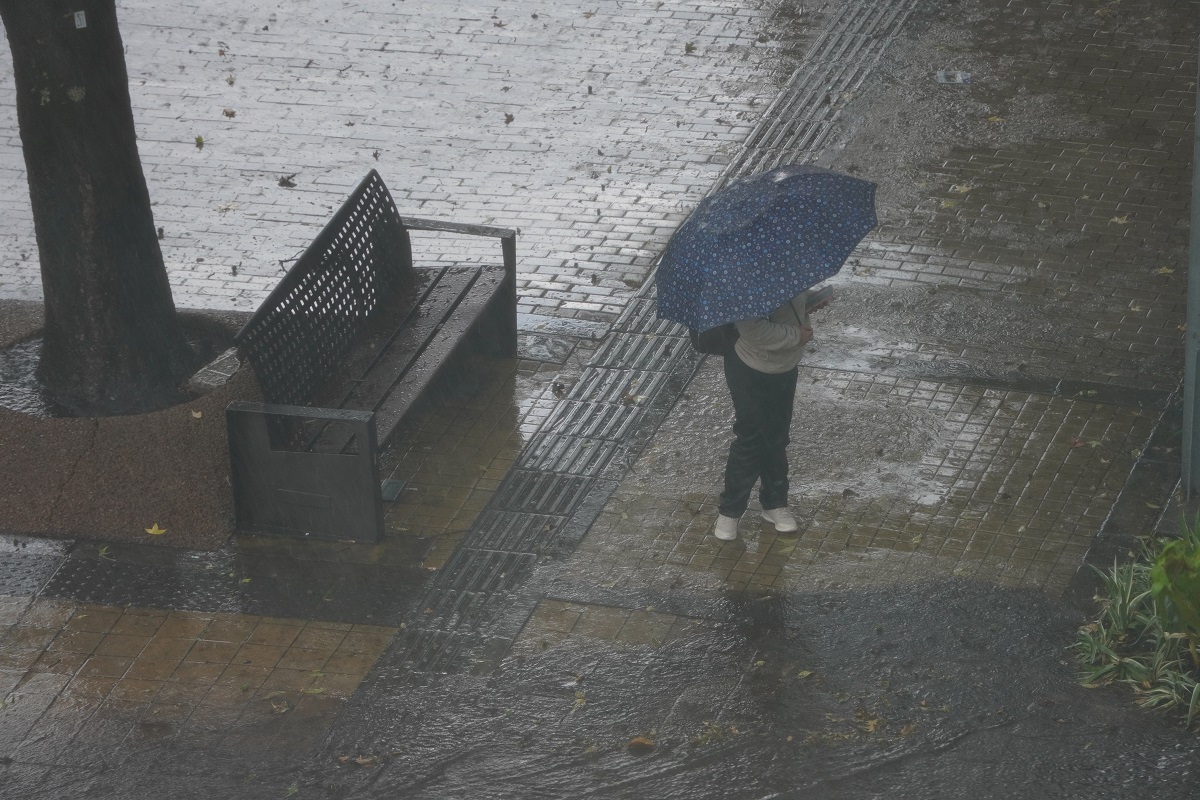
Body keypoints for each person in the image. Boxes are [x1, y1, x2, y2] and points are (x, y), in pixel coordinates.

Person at [713, 288, 826, 541]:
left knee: (777, 435)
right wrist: (796, 334)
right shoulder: (743, 280)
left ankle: (774, 503)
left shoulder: (786, 261)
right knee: (750, 438)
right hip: (749, 365)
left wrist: (810, 301)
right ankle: (730, 511)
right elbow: (753, 330)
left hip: (785, 364)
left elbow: (790, 304)